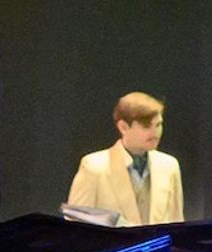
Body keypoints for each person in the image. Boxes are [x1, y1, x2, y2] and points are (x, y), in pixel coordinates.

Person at [65, 92, 185, 227]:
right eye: (146, 126)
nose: (155, 132)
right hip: (114, 247)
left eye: (158, 125)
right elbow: (75, 225)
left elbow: (177, 223)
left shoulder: (169, 166)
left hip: (156, 247)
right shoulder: (94, 167)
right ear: (123, 127)